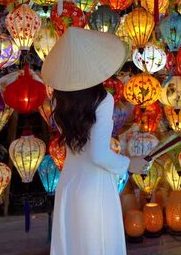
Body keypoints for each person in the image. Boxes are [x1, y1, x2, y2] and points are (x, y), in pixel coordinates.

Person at [41, 27, 150, 255]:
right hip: (94, 187)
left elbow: (84, 148)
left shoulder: (60, 100)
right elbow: (98, 154)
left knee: (74, 245)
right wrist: (129, 164)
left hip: (69, 183)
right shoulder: (103, 99)